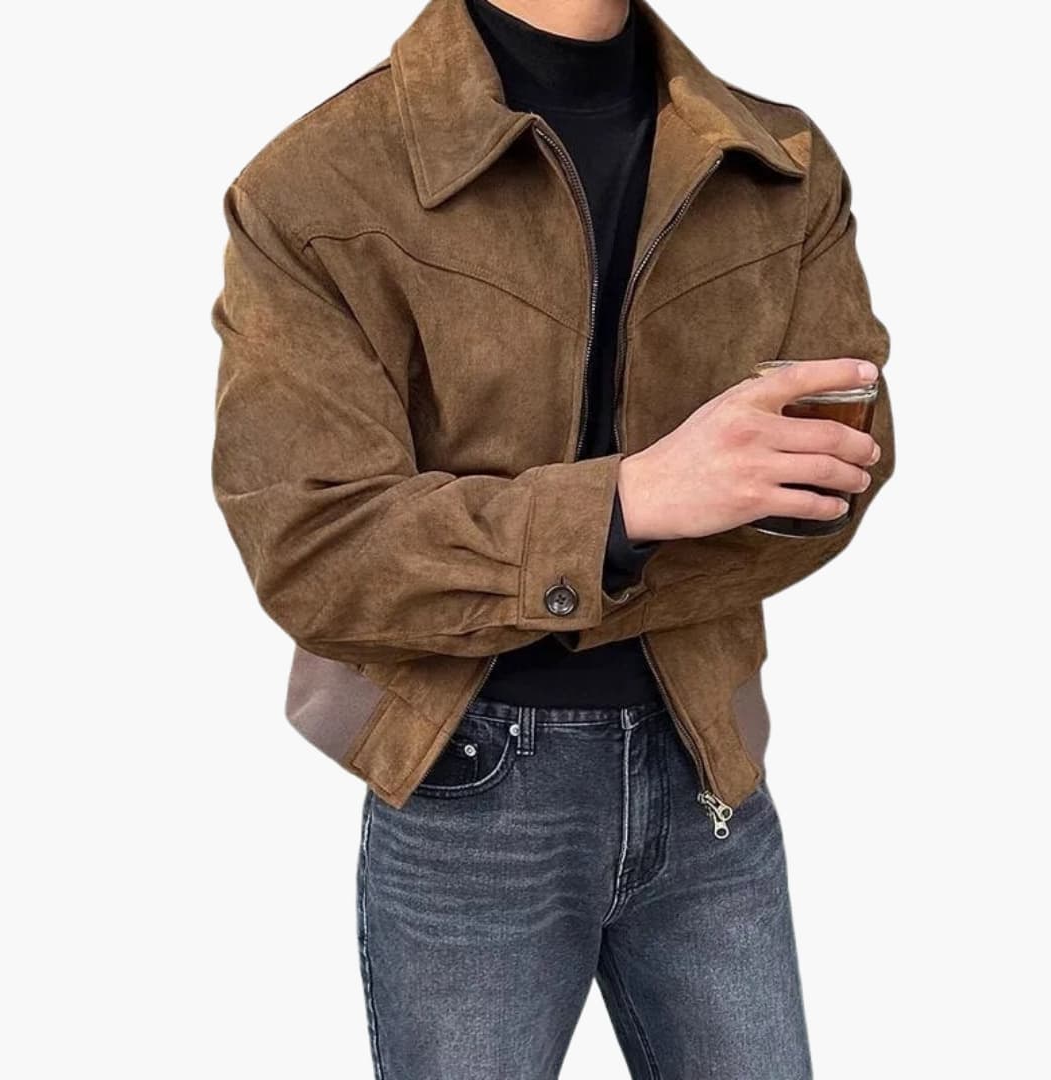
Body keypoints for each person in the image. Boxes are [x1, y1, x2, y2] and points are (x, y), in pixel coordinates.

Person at [210, 0, 895, 1076]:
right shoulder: (317, 184)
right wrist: (628, 506)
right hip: (466, 775)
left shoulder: (779, 160)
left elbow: (837, 473)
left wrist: (588, 543)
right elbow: (314, 549)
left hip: (708, 762)